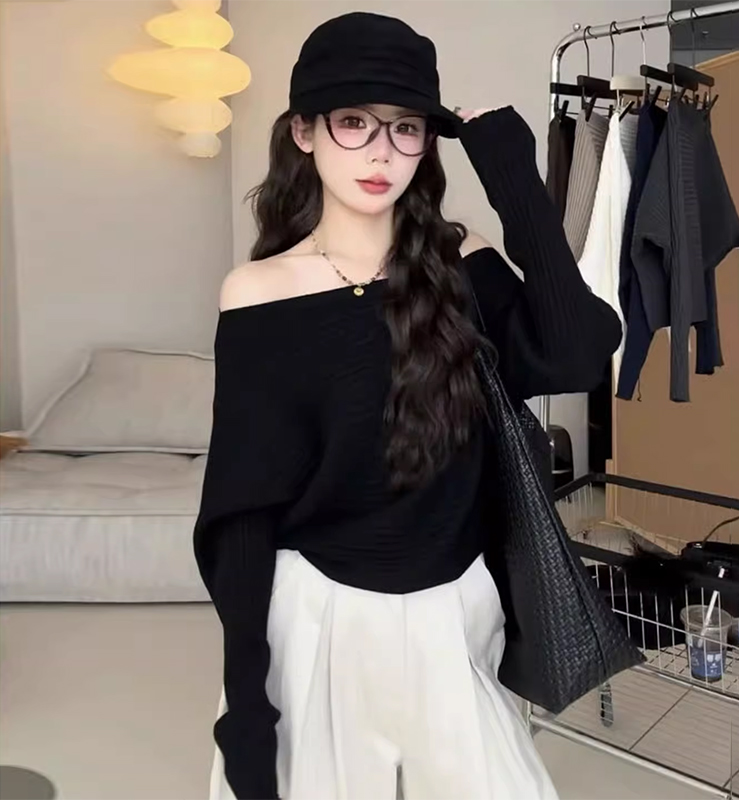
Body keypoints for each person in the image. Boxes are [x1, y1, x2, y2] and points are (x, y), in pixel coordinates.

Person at [194, 11, 621, 800]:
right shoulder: (260, 294)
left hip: (454, 611)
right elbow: (245, 508)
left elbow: (577, 351)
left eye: (405, 127)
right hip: (317, 617)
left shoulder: (464, 268)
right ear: (304, 133)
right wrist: (246, 707)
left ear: (428, 142)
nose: (381, 152)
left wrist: (512, 174)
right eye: (354, 123)